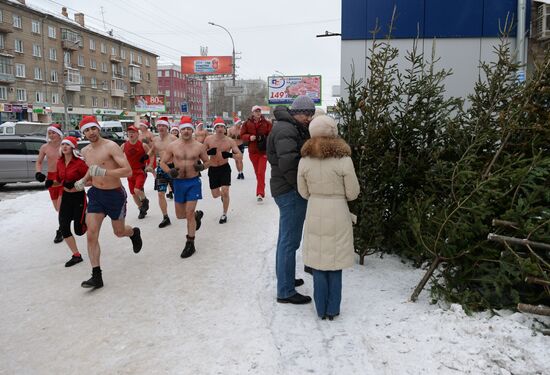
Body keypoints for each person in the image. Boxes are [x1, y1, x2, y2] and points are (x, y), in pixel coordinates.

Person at [297, 115, 360, 320]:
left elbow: (302, 192)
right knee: (336, 260)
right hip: (338, 211)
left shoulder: (305, 160)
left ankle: (320, 309)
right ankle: (333, 308)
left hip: (315, 209)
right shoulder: (344, 159)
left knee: (318, 261)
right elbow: (353, 193)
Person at [75, 116, 143, 289]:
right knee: (91, 233)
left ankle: (133, 233)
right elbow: (92, 171)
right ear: (83, 133)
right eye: (86, 130)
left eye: (93, 129)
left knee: (119, 232)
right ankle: (96, 276)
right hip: (97, 195)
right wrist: (84, 180)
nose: (90, 133)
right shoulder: (86, 151)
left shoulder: (110, 146)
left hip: (115, 195)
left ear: (98, 128)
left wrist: (104, 172)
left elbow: (127, 171)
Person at [266, 95, 316, 305]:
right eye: (308, 114)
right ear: (298, 113)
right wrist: (301, 188)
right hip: (290, 190)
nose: (310, 119)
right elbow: (289, 164)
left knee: (286, 239)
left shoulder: (288, 126)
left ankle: (285, 279)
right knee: (289, 241)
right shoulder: (287, 129)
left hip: (285, 189)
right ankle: (285, 291)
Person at [160, 116, 209, 258]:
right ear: (180, 130)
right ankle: (196, 217)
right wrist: (170, 171)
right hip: (179, 182)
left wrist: (202, 166)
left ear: (192, 130)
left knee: (188, 214)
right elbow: (162, 163)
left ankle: (190, 243)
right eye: (184, 129)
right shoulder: (173, 146)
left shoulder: (199, 146)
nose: (186, 131)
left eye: (189, 128)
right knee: (181, 215)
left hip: (193, 182)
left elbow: (207, 162)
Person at [55, 136, 89, 267]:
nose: (64, 147)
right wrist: (51, 183)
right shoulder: (59, 162)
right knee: (64, 227)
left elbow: (90, 179)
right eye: (63, 144)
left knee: (79, 230)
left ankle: (87, 221)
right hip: (65, 197)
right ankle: (76, 255)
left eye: (67, 145)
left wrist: (77, 184)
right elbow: (58, 180)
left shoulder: (79, 163)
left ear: (72, 147)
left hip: (78, 197)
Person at [203, 117, 243, 224]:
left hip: (225, 168)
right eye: (217, 127)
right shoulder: (208, 139)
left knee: (225, 191)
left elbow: (240, 156)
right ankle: (222, 196)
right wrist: (208, 152)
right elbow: (201, 153)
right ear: (214, 128)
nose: (220, 129)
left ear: (225, 129)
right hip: (213, 169)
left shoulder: (230, 141)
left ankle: (224, 214)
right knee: (215, 194)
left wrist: (230, 155)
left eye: (222, 127)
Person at [36, 123, 65, 243]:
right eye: (50, 133)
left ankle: (61, 229)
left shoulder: (65, 146)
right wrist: (38, 173)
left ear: (59, 134)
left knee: (60, 206)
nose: (51, 135)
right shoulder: (44, 147)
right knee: (57, 209)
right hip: (51, 178)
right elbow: (38, 162)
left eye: (53, 133)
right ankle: (66, 222)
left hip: (63, 177)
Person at [240, 105, 272, 202]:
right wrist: (249, 137)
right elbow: (242, 135)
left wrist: (264, 138)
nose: (258, 113)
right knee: (257, 172)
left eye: (259, 111)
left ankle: (260, 193)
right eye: (256, 111)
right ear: (252, 113)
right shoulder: (246, 123)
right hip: (253, 151)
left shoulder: (266, 123)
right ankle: (261, 186)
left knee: (260, 172)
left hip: (263, 151)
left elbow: (271, 135)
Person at [150, 116, 177, 227]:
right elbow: (152, 152)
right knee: (161, 193)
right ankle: (165, 217)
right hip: (161, 167)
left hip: (173, 167)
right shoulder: (155, 140)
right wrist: (148, 163)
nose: (161, 127)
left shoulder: (173, 139)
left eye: (163, 126)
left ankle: (189, 212)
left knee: (179, 193)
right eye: (159, 125)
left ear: (167, 127)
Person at [121, 125, 151, 219]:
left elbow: (152, 154)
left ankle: (145, 200)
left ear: (137, 134)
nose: (131, 134)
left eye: (133, 132)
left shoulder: (143, 145)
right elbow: (116, 156)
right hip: (130, 172)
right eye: (129, 132)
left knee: (137, 190)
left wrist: (149, 165)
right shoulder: (124, 145)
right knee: (133, 194)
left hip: (140, 171)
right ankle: (141, 209)